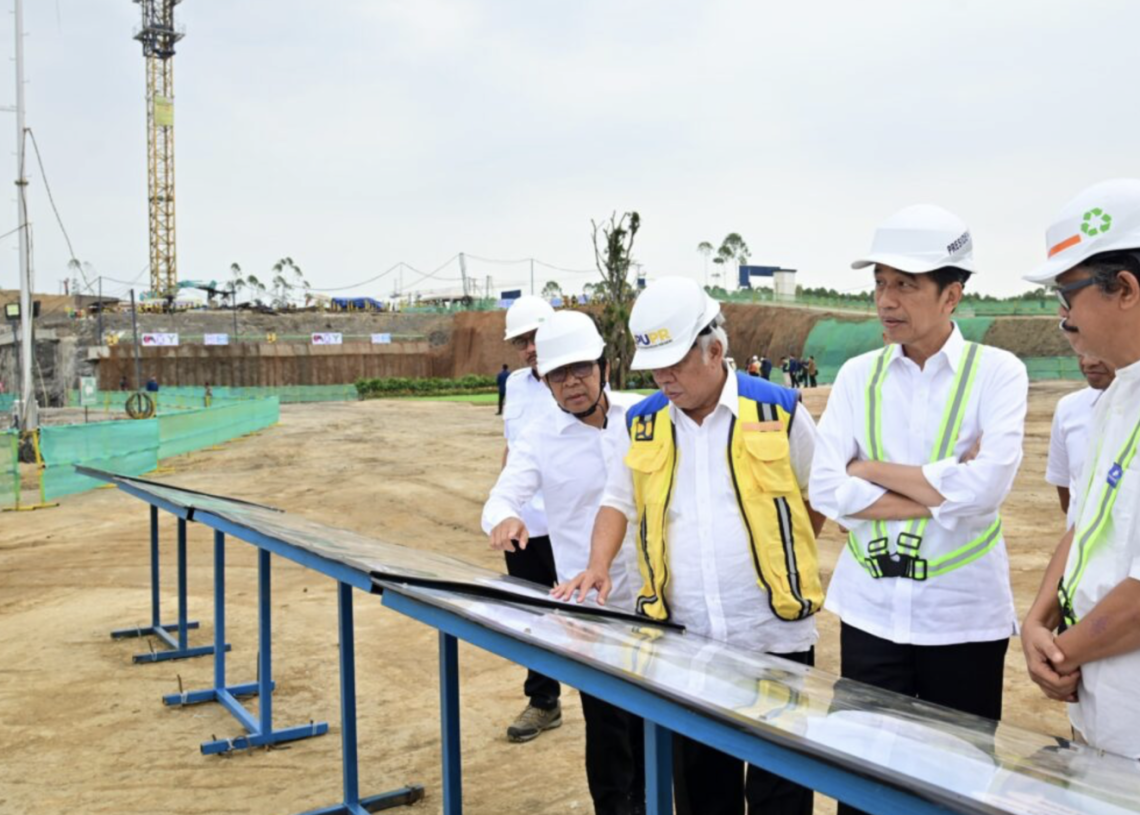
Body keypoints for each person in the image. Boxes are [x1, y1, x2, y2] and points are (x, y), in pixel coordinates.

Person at [555, 276, 825, 815]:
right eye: (655, 367)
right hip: (685, 640)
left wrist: (780, 557)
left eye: (675, 364)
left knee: (780, 792)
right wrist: (598, 565)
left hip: (774, 634)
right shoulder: (645, 424)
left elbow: (815, 498)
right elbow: (618, 501)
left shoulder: (779, 410)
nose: (663, 378)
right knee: (702, 793)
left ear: (716, 350)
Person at [809, 204, 1027, 815]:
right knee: (864, 783)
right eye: (880, 282)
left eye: (906, 284)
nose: (886, 300)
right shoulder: (857, 376)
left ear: (952, 293)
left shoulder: (998, 375)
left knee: (955, 785)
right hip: (870, 614)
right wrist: (944, 490)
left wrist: (869, 469)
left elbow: (986, 490)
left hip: (962, 621)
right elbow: (827, 488)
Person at [483, 311, 645, 815]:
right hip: (593, 603)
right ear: (545, 381)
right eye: (558, 375)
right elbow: (501, 497)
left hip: (659, 597)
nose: (572, 383)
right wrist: (505, 519)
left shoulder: (643, 417)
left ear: (604, 367)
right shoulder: (539, 436)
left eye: (581, 370)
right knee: (608, 724)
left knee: (663, 726)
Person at [1020, 178, 1140, 760]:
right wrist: (1036, 621)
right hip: (1102, 709)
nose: (1063, 319)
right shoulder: (1118, 396)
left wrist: (1059, 651)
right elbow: (1085, 527)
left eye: (1067, 296)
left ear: (1125, 289)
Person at [497, 294, 563, 742]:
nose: (529, 348)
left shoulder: (577, 379)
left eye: (535, 336)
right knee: (531, 617)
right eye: (522, 341)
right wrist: (505, 507)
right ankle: (544, 701)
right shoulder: (516, 386)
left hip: (570, 526)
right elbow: (511, 450)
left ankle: (621, 706)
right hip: (525, 526)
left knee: (594, 618)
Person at [1045, 354, 1115, 527]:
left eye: (1099, 349)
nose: (1088, 362)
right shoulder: (1068, 408)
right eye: (1081, 351)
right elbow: (1067, 493)